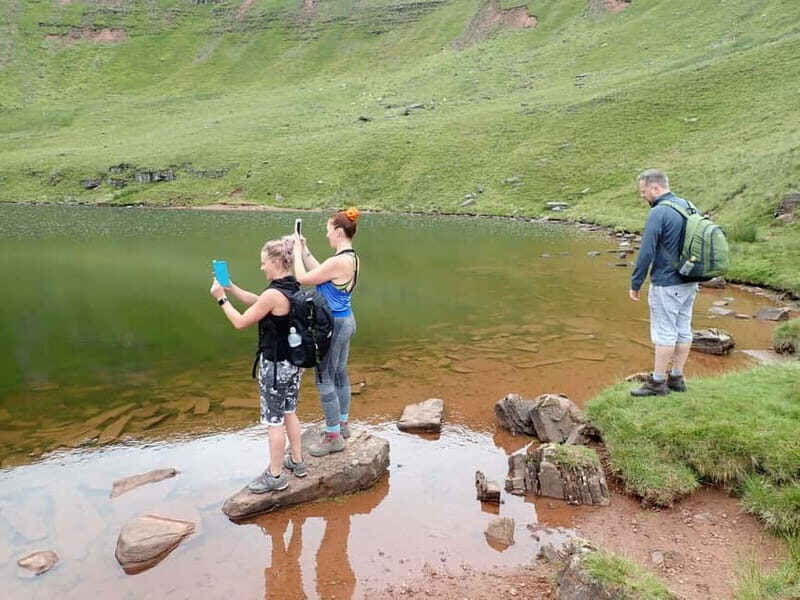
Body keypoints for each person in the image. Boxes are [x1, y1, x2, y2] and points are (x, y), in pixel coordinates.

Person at [209, 236, 308, 493]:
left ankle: (275, 476)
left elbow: (241, 322)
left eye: (264, 262)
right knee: (289, 411)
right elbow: (259, 301)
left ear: (276, 261)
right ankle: (297, 462)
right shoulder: (293, 285)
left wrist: (222, 299)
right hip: (294, 364)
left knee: (274, 421)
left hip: (275, 367)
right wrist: (231, 286)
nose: (261, 267)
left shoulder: (273, 294)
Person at [293, 208, 360, 457]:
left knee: (324, 377)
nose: (327, 235)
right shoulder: (350, 258)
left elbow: (303, 277)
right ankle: (342, 425)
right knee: (340, 371)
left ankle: (332, 437)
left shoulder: (338, 260)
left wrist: (297, 253)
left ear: (339, 232)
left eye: (329, 230)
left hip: (333, 326)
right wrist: (306, 250)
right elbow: (322, 274)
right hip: (346, 321)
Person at [629, 169, 699, 397]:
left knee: (664, 333)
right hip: (690, 281)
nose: (642, 196)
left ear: (655, 188)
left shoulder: (659, 212)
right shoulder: (688, 206)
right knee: (683, 330)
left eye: (643, 191)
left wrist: (636, 282)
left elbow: (647, 251)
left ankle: (657, 382)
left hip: (667, 284)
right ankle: (677, 378)